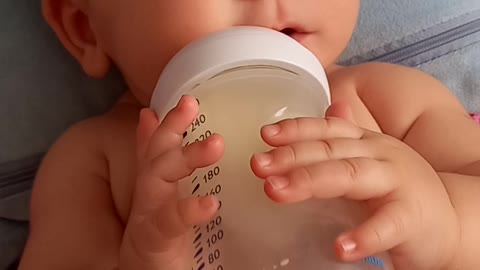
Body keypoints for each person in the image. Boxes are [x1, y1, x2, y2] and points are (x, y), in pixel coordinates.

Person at [19, 1, 480, 269]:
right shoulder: (94, 163)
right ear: (85, 28)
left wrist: (446, 223)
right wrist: (144, 256)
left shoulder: (386, 101)